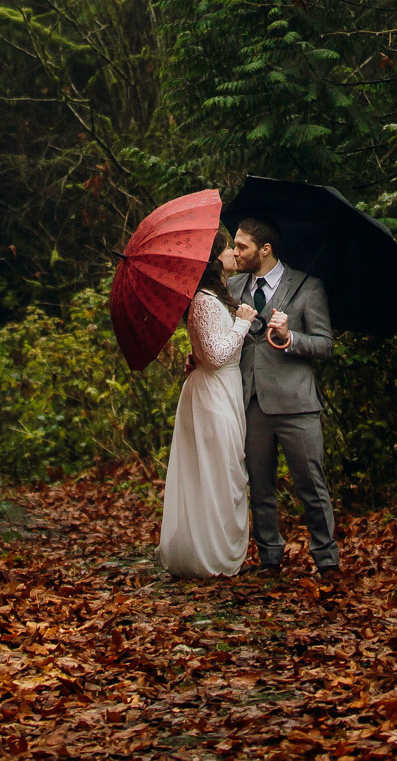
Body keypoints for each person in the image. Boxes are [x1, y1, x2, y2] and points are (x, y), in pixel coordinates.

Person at [228, 217, 338, 579]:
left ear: (265, 250)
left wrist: (291, 339)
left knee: (311, 485)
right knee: (259, 486)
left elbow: (324, 344)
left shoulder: (308, 286)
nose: (234, 252)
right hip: (251, 401)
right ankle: (269, 558)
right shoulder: (232, 287)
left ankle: (327, 560)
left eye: (241, 246)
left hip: (297, 404)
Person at [158, 228, 257, 576]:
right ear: (214, 258)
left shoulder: (215, 295)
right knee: (218, 471)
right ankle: (209, 554)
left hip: (222, 388)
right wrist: (243, 325)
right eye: (228, 247)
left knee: (224, 469)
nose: (233, 253)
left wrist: (196, 353)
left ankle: (214, 547)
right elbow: (216, 355)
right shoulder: (203, 299)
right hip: (212, 392)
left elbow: (207, 347)